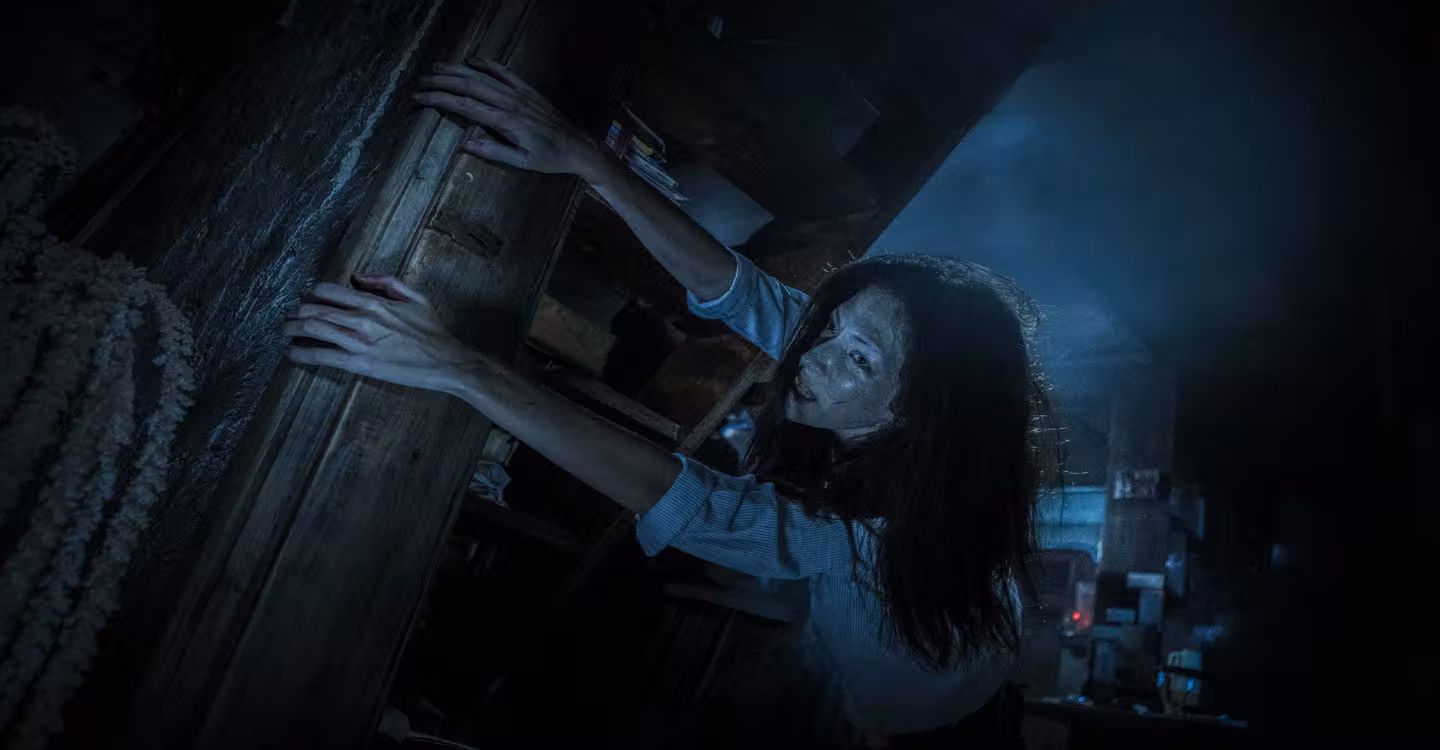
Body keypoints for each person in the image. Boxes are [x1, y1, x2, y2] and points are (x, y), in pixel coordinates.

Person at [284, 60, 1057, 748]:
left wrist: (457, 367)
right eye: (833, 328)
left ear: (913, 412)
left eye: (858, 358)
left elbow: (690, 497)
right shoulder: (916, 400)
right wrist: (588, 158)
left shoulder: (874, 544)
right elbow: (746, 294)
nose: (812, 357)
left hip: (929, 713)